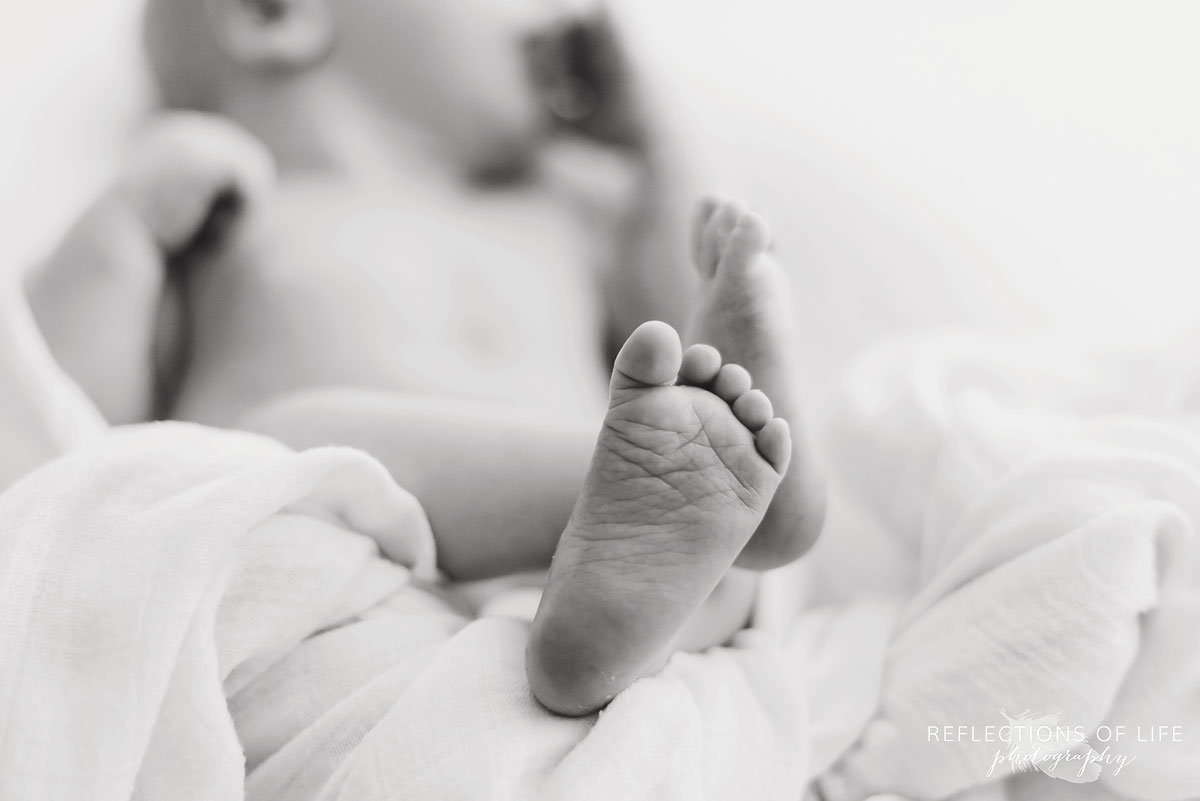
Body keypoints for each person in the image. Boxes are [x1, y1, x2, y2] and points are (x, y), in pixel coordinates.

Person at [25, 0, 825, 715]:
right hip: (346, 570)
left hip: (602, 572)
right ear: (275, 14)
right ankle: (723, 509)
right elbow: (63, 430)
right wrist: (123, 227)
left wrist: (654, 134)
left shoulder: (566, 204)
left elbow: (670, 309)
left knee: (684, 406)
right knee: (285, 440)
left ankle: (631, 597)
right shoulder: (224, 209)